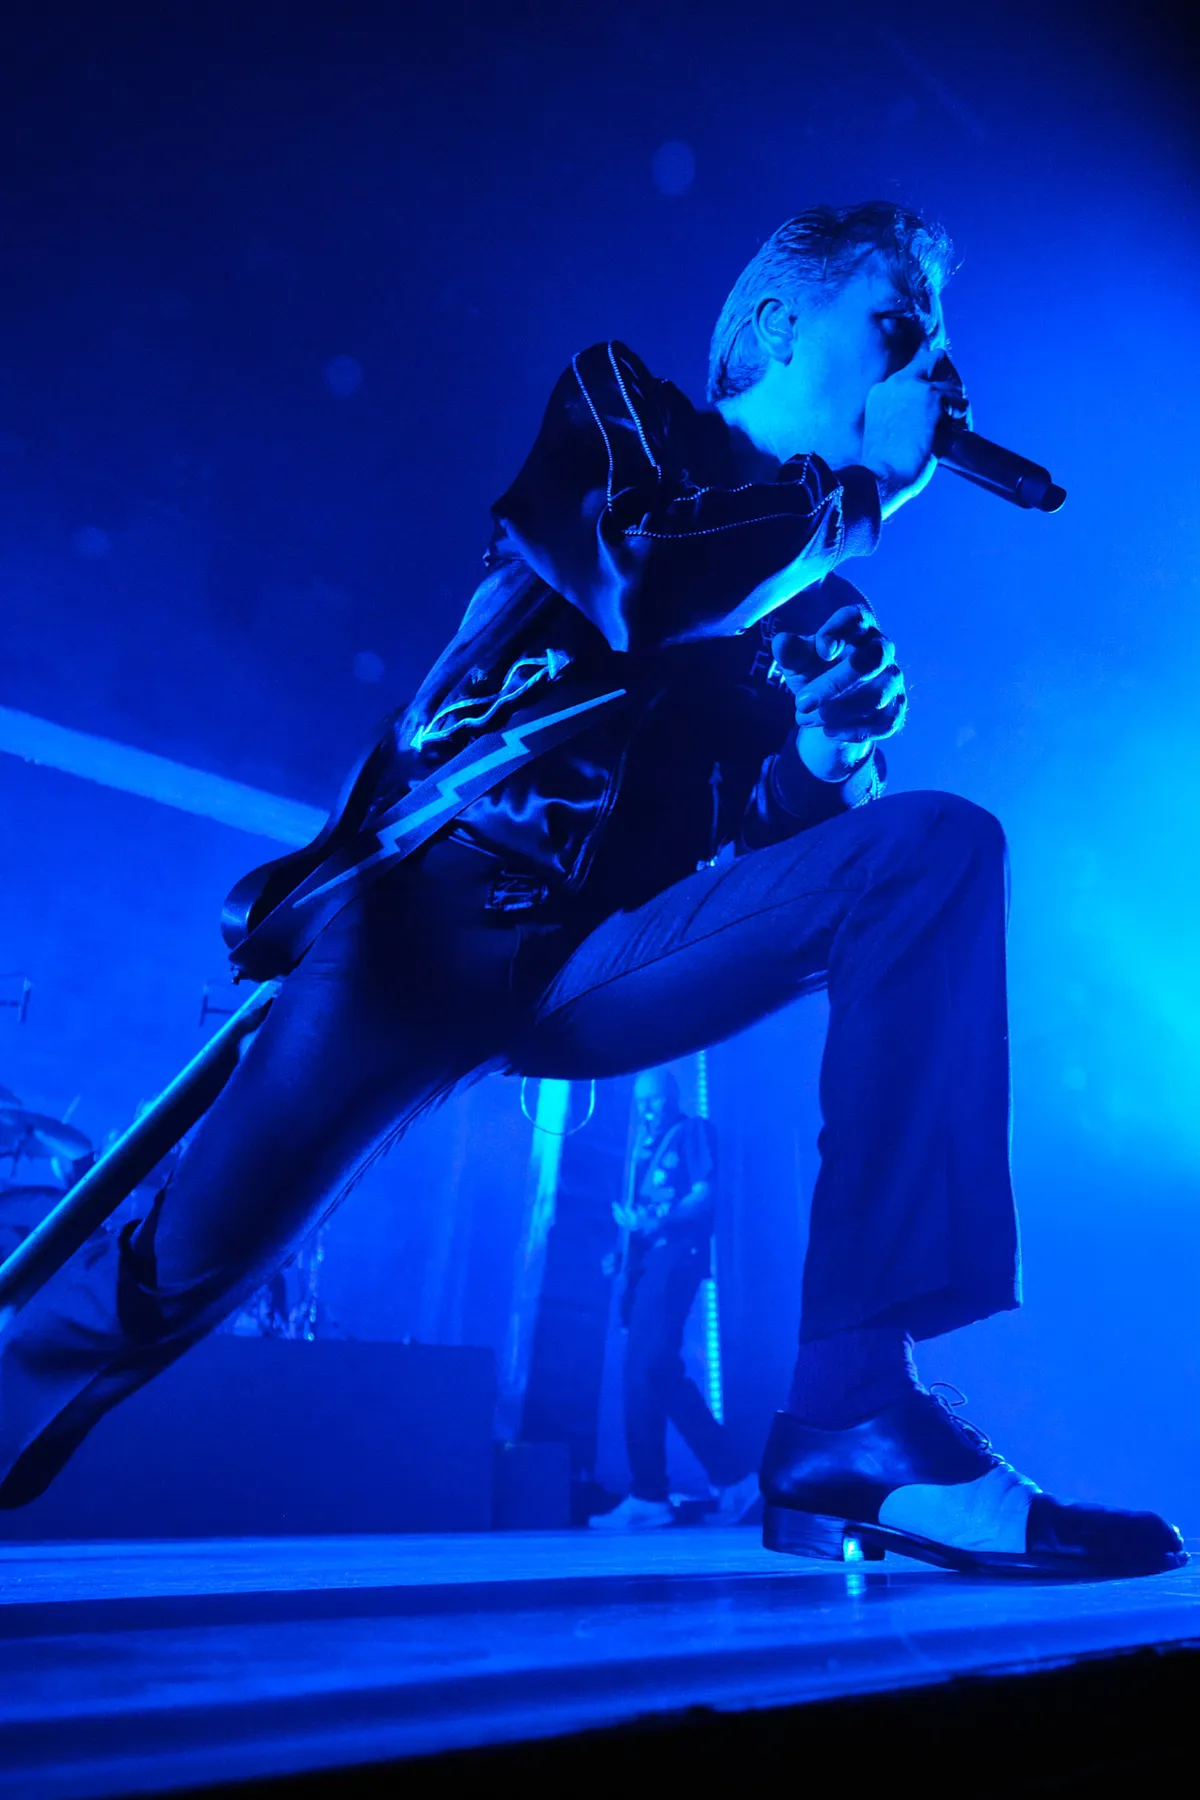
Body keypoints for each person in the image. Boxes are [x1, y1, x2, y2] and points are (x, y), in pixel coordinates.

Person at [0, 203, 1183, 1577]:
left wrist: (821, 756)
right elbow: (642, 583)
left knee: (929, 849)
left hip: (599, 961)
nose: (936, 371)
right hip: (428, 920)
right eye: (898, 327)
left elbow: (765, 853)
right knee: (168, 1278)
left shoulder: (813, 599)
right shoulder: (624, 410)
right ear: (780, 324)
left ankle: (856, 1409)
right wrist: (855, 503)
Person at [590, 1068, 757, 1531]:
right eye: (641, 1102)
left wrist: (657, 1224)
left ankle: (651, 1494)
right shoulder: (640, 1150)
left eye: (656, 1099)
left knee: (646, 1369)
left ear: (673, 1096)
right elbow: (641, 1216)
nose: (648, 1110)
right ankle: (731, 1477)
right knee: (656, 1372)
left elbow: (705, 1195)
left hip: (677, 1258)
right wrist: (624, 1255)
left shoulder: (693, 1131)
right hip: (649, 1266)